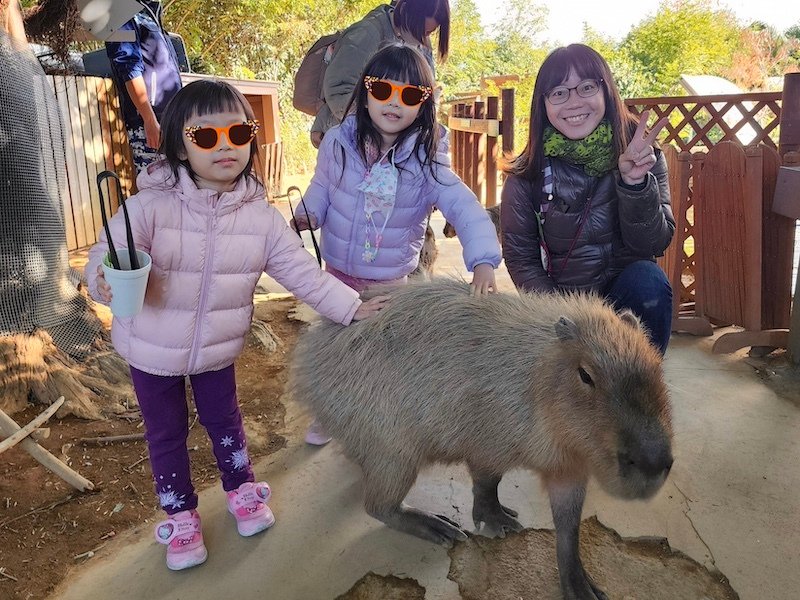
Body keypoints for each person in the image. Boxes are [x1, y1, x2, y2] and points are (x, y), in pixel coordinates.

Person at [85, 80, 388, 571]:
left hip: (216, 351)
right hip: (149, 348)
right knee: (165, 434)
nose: (225, 145)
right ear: (180, 145)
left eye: (238, 131)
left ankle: (241, 488)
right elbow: (109, 251)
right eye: (206, 136)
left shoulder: (262, 220)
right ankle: (180, 514)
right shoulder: (148, 206)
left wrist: (352, 308)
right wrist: (102, 277)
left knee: (226, 423)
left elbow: (304, 274)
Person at [293, 44, 502, 445]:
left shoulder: (426, 160)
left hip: (390, 281)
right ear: (365, 91)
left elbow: (464, 207)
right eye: (382, 89)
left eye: (409, 95)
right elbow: (321, 190)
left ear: (423, 103)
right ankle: (329, 414)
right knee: (335, 350)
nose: (394, 102)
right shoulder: (339, 144)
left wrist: (484, 261)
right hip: (337, 274)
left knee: (379, 356)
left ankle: (373, 421)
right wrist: (306, 216)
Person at [500, 43, 674, 355]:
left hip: (626, 299)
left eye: (586, 87)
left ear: (606, 91)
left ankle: (643, 385)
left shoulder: (641, 155)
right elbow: (522, 261)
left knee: (650, 281)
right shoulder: (526, 175)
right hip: (562, 304)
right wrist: (564, 317)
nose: (573, 102)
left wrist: (635, 184)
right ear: (544, 104)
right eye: (559, 92)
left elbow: (653, 245)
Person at [310, 0, 450, 147]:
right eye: (418, 29)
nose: (423, 38)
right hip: (349, 138)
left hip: (391, 145)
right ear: (404, 10)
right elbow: (339, 91)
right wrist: (383, 126)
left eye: (429, 32)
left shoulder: (422, 45)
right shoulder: (366, 34)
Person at [105, 0, 183, 173]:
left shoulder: (151, 12)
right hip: (150, 125)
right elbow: (128, 68)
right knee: (159, 192)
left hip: (173, 121)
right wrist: (149, 119)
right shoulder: (119, 12)